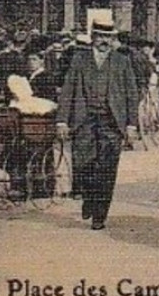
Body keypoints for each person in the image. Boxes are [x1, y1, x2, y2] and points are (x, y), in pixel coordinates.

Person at [55, 18, 140, 231]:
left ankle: (99, 215)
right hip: (85, 120)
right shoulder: (79, 59)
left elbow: (132, 93)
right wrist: (62, 120)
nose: (104, 41)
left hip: (112, 122)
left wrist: (131, 125)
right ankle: (88, 198)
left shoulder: (122, 61)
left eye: (108, 38)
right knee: (84, 164)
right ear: (93, 37)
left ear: (113, 40)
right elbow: (68, 90)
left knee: (107, 169)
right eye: (100, 37)